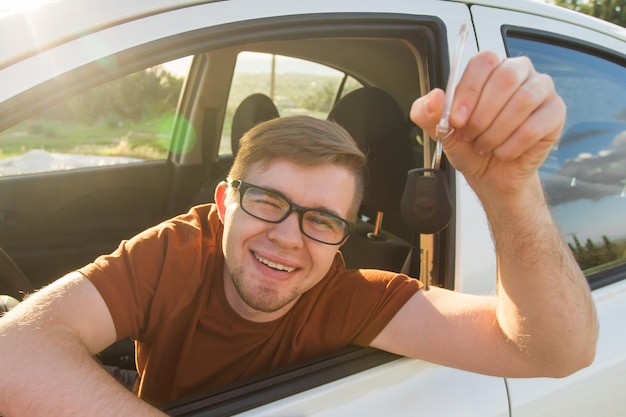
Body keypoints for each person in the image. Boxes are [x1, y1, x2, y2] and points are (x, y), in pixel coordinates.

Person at [0, 51, 598, 416]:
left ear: (343, 237)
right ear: (221, 204)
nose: (289, 237)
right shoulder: (178, 250)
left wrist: (511, 191)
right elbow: (13, 350)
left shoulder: (346, 298)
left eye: (322, 220)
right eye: (267, 201)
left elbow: (556, 351)